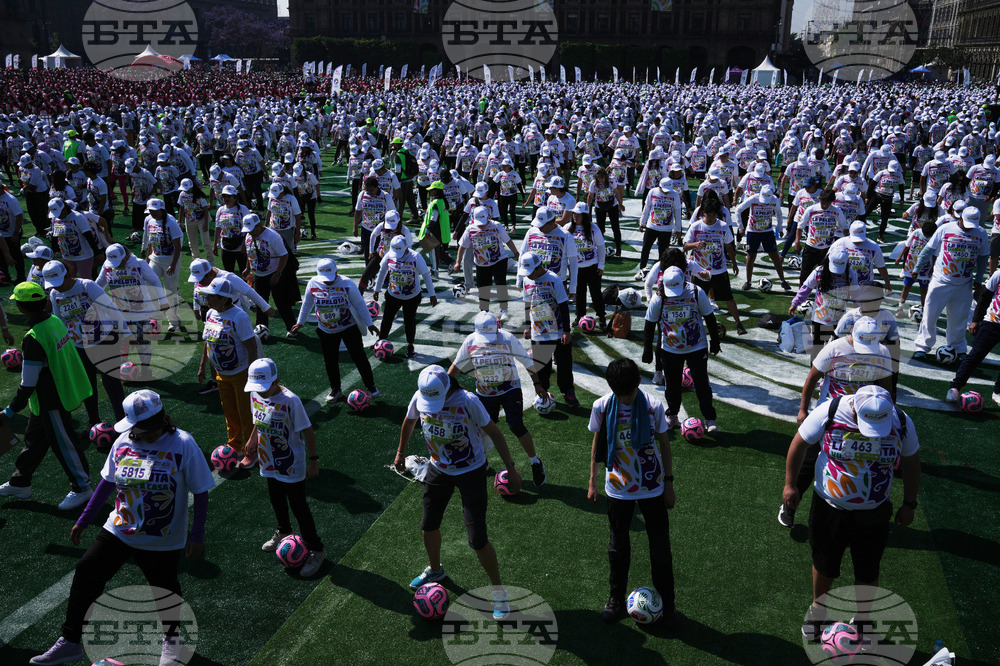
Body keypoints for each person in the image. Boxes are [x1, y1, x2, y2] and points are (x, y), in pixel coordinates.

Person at [28, 390, 213, 666]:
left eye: (153, 427)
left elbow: (201, 491)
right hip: (119, 529)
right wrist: (85, 519)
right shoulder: (123, 441)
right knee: (87, 571)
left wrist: (197, 534)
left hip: (162, 539)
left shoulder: (183, 444)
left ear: (163, 418)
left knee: (165, 591)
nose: (149, 433)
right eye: (143, 428)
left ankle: (173, 642)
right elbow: (107, 482)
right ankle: (70, 641)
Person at [783, 385, 919, 643]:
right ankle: (818, 612)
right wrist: (791, 484)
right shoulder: (831, 410)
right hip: (830, 508)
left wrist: (909, 504)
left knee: (868, 569)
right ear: (855, 408)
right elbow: (799, 443)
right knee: (825, 565)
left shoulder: (901, 421)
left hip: (875, 513)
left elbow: (912, 461)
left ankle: (864, 619)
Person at [394, 365, 523, 621]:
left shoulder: (468, 401)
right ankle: (435, 570)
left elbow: (495, 433)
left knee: (477, 538)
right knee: (428, 524)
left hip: (471, 472)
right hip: (437, 468)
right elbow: (409, 421)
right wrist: (400, 452)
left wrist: (511, 468)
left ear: (447, 388)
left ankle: (499, 592)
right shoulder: (420, 396)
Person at [587, 358, 677, 626]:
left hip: (652, 486)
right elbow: (597, 445)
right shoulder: (601, 407)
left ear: (639, 383)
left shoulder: (653, 406)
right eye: (620, 395)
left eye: (629, 394)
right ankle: (615, 599)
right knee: (617, 545)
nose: (625, 400)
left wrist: (669, 483)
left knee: (660, 546)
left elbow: (665, 446)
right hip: (617, 487)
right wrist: (592, 480)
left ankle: (668, 603)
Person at [0, 282, 93, 510]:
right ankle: (20, 482)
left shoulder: (33, 337)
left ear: (21, 308)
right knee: (34, 440)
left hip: (52, 399)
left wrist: (9, 412)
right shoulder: (54, 320)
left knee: (65, 444)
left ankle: (82, 487)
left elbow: (28, 383)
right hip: (54, 395)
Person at [243, 358, 325, 577]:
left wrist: (313, 460)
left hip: (291, 464)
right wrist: (252, 439)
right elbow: (258, 418)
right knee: (275, 497)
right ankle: (284, 530)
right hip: (267, 458)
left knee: (298, 506)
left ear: (276, 380)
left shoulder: (291, 401)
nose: (259, 392)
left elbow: (307, 430)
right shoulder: (255, 393)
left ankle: (316, 548)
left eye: (263, 388)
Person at [449, 311, 546, 485]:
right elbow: (456, 366)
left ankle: (535, 462)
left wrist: (537, 384)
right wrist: (447, 387)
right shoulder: (471, 341)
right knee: (481, 429)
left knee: (516, 425)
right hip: (485, 394)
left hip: (510, 389)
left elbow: (527, 362)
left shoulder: (507, 339)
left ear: (498, 328)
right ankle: (481, 462)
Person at [44, 260, 128, 431]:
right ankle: (94, 422)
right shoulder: (55, 294)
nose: (57, 287)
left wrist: (125, 336)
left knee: (112, 383)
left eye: (59, 282)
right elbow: (60, 321)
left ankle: (123, 422)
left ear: (67, 275)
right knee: (87, 385)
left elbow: (111, 309)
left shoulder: (86, 286)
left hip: (105, 340)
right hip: (79, 346)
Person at [643, 265, 722, 431]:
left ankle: (709, 418)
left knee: (702, 384)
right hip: (670, 349)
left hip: (697, 346)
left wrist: (715, 341)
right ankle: (672, 416)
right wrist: (647, 349)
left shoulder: (696, 292)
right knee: (671, 385)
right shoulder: (659, 297)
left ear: (684, 280)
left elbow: (709, 317)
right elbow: (649, 323)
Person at [292, 258, 380, 402]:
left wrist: (369, 323)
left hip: (349, 327)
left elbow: (360, 304)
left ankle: (371, 387)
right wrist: (300, 322)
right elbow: (307, 304)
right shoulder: (313, 283)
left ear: (336, 272)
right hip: (326, 330)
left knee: (359, 357)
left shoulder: (347, 283)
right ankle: (335, 389)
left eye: (331, 277)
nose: (328, 281)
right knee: (330, 360)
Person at [913, 207, 990, 361]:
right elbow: (928, 250)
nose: (969, 228)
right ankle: (922, 346)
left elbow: (983, 258)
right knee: (930, 314)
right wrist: (917, 268)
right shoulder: (945, 228)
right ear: (960, 218)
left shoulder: (981, 233)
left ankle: (957, 347)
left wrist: (979, 279)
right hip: (940, 280)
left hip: (964, 284)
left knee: (959, 318)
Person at [196, 276, 258, 467]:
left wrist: (252, 377)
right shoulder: (210, 314)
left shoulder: (239, 317)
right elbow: (208, 342)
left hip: (240, 374)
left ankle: (252, 452)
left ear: (224, 298)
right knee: (230, 413)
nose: (207, 299)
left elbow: (251, 347)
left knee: (246, 414)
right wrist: (203, 365)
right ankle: (236, 445)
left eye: (212, 296)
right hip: (221, 374)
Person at [519, 251, 577, 407]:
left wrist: (566, 331)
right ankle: (542, 394)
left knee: (564, 365)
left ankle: (568, 392)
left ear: (538, 268)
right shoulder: (526, 280)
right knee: (542, 367)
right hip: (538, 332)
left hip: (558, 332)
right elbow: (527, 304)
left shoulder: (554, 280)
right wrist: (527, 326)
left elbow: (564, 305)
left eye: (530, 272)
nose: (528, 275)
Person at [684, 196, 748, 335]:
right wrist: (695, 245)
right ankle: (695, 327)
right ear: (703, 214)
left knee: (729, 297)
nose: (712, 218)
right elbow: (685, 246)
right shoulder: (696, 227)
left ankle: (738, 323)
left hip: (719, 270)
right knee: (697, 300)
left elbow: (729, 247)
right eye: (709, 215)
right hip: (700, 271)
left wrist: (735, 263)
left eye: (714, 214)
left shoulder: (723, 226)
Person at [372, 235, 438, 359]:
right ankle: (380, 341)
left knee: (409, 321)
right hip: (393, 294)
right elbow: (382, 272)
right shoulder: (389, 255)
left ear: (406, 248)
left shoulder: (415, 257)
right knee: (387, 318)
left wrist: (432, 294)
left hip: (412, 296)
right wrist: (377, 289)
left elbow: (426, 275)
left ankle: (410, 345)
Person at [945, 268, 1000, 406]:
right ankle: (955, 387)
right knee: (975, 356)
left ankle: (998, 392)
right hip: (992, 322)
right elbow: (985, 296)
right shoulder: (999, 273)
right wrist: (976, 320)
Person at [454, 206, 518, 318]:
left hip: (499, 260)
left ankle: (504, 310)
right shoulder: (470, 229)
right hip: (481, 264)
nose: (481, 225)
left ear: (488, 217)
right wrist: (458, 262)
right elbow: (462, 246)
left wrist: (516, 253)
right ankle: (484, 312)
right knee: (483, 288)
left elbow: (507, 240)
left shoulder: (496, 226)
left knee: (500, 284)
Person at [243, 212, 299, 335]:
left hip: (274, 273)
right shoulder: (249, 235)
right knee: (260, 302)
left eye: (251, 229)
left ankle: (292, 328)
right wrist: (248, 268)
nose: (249, 232)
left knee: (281, 302)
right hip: (259, 275)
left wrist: (278, 273)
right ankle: (261, 328)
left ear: (258, 226)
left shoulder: (272, 236)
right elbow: (250, 252)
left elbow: (284, 255)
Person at [732, 184, 791, 291]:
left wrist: (780, 228)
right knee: (751, 256)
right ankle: (748, 281)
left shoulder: (774, 200)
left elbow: (778, 213)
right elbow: (738, 210)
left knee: (774, 256)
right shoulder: (753, 199)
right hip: (752, 231)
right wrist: (741, 227)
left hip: (767, 231)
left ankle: (783, 281)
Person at [141, 197, 184, 332]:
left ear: (162, 210)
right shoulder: (148, 220)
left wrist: (173, 264)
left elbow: (178, 247)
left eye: (155, 211)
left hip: (170, 260)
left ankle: (173, 320)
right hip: (155, 258)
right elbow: (149, 239)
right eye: (150, 211)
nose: (153, 213)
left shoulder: (171, 223)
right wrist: (147, 256)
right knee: (148, 286)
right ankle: (154, 315)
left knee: (170, 291)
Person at [565, 202, 607, 328]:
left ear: (585, 215)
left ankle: (601, 316)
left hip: (592, 267)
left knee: (596, 293)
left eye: (578, 215)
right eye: (574, 214)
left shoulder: (594, 228)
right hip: (576, 268)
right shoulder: (567, 228)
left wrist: (601, 265)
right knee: (579, 292)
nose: (575, 217)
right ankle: (579, 316)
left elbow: (601, 247)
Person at [636, 177, 684, 280]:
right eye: (664, 190)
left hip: (666, 229)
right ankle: (641, 270)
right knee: (645, 249)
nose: (667, 193)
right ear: (659, 187)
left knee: (663, 253)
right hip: (651, 226)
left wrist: (678, 229)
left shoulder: (675, 195)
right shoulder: (652, 192)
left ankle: (661, 273)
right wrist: (642, 222)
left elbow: (677, 213)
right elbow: (647, 208)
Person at [177, 178, 213, 263]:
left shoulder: (198, 196)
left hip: (202, 219)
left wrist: (206, 224)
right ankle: (196, 261)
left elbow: (205, 209)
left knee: (206, 242)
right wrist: (179, 221)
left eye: (187, 189)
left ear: (192, 187)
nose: (185, 191)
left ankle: (211, 262)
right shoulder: (182, 194)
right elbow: (181, 208)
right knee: (192, 242)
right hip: (189, 220)